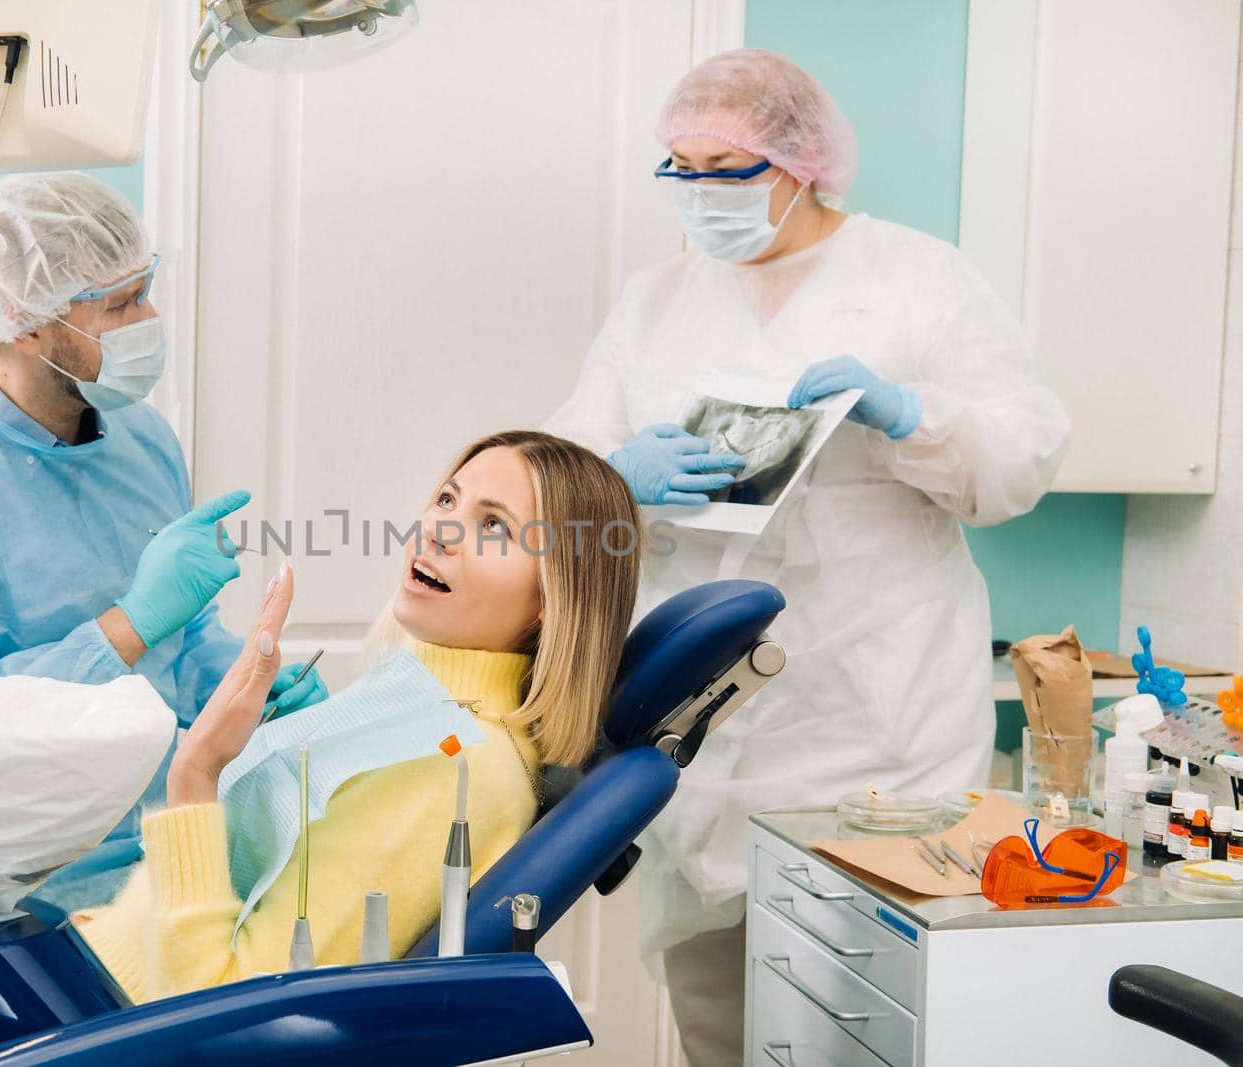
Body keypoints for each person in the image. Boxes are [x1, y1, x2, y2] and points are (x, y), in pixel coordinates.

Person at [543, 50, 1070, 1065]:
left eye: (727, 170)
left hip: (883, 733)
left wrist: (913, 417)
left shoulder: (917, 278)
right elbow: (552, 483)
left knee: (875, 1015)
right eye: (680, 168)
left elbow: (1021, 460)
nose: (700, 195)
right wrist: (615, 472)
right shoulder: (653, 303)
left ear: (802, 163)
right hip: (703, 737)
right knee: (721, 1021)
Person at [0, 172, 327, 910]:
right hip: (9, 891)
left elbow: (179, 651)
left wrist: (246, 688)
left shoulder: (143, 440)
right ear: (24, 319)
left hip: (159, 845)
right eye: (122, 304)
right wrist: (125, 626)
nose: (149, 318)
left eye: (145, 289)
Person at [73, 431, 642, 999]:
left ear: (553, 596)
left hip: (112, 1017)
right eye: (447, 499)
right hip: (93, 969)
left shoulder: (450, 770)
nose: (438, 531)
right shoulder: (431, 709)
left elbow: (218, 1011)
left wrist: (194, 774)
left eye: (494, 525)